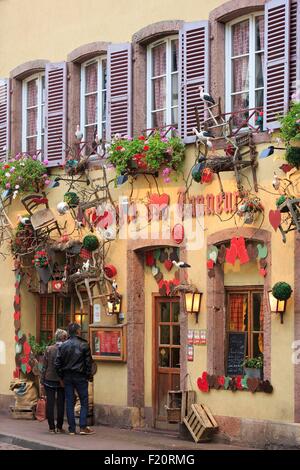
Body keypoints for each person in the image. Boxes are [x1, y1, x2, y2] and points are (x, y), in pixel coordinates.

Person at [55, 322, 95, 435]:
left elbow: (57, 363)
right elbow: (88, 363)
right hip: (80, 376)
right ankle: (82, 427)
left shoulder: (63, 345)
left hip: (67, 376)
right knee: (84, 401)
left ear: (68, 332)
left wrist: (61, 376)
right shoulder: (84, 344)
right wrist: (89, 376)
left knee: (69, 402)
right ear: (78, 331)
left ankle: (72, 429)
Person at [41, 329, 68, 433]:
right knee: (61, 404)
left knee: (50, 404)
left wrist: (42, 381)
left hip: (49, 379)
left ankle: (51, 428)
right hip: (61, 380)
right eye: (66, 337)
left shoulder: (48, 349)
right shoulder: (65, 349)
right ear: (64, 338)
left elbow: (44, 366)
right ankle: (59, 427)